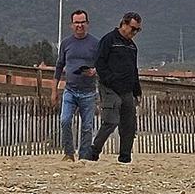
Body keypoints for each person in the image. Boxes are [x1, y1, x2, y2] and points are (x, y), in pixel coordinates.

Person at [88, 12, 142, 163]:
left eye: (138, 30)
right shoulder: (109, 40)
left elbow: (134, 69)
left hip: (127, 88)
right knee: (111, 120)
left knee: (129, 123)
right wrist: (109, 79)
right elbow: (99, 62)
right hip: (109, 87)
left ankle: (125, 156)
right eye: (133, 29)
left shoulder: (132, 46)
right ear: (124, 24)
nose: (135, 33)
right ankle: (94, 151)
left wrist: (137, 91)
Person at [52, 9, 100, 162]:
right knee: (65, 120)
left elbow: (102, 64)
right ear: (71, 25)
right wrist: (54, 90)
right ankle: (68, 153)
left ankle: (84, 156)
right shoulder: (66, 43)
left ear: (87, 24)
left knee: (87, 126)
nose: (79, 25)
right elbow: (59, 66)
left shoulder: (95, 43)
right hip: (70, 90)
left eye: (82, 22)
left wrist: (94, 71)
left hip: (89, 91)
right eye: (76, 22)